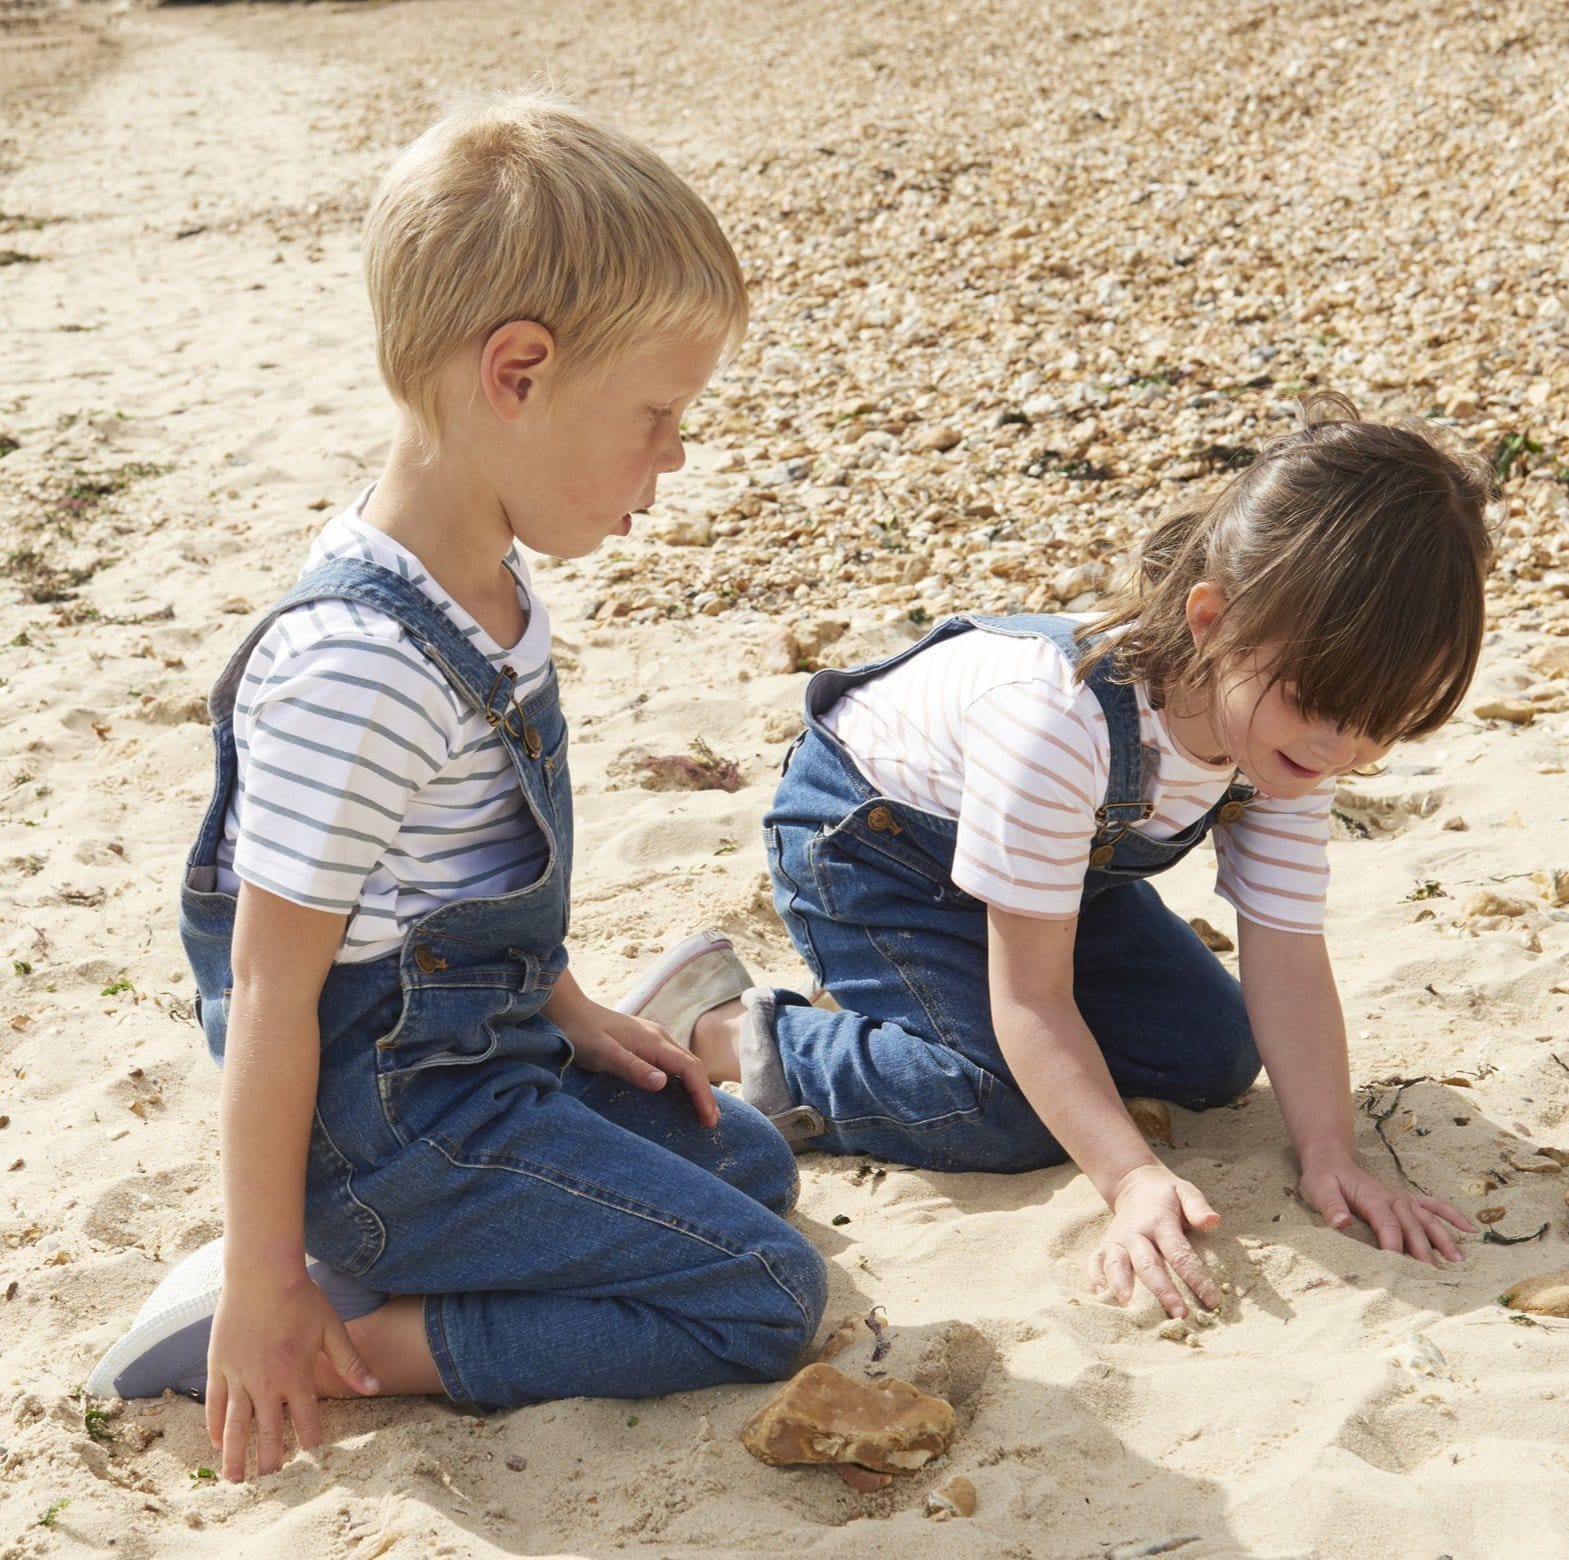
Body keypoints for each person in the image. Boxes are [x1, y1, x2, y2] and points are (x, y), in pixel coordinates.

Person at [86, 91, 826, 1481]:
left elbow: (457, 886)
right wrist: (263, 1275)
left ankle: (381, 1272)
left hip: (478, 1070)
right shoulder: (360, 669)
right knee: (764, 1291)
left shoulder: (482, 588)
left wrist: (573, 1008)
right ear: (519, 372)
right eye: (659, 413)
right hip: (390, 1143)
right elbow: (273, 992)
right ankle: (339, 1330)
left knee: (747, 1169)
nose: (676, 454)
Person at [664, 393, 1494, 1321]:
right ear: (1212, 620)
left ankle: (914, 1012)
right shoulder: (1059, 720)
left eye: (1383, 724)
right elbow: (1032, 997)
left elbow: (1286, 951)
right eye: (1322, 702)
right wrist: (1130, 1178)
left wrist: (1332, 1155)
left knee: (1215, 1051)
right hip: (872, 851)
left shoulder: (1288, 739)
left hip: (1047, 872)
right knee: (1008, 1110)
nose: (1342, 747)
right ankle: (725, 1029)